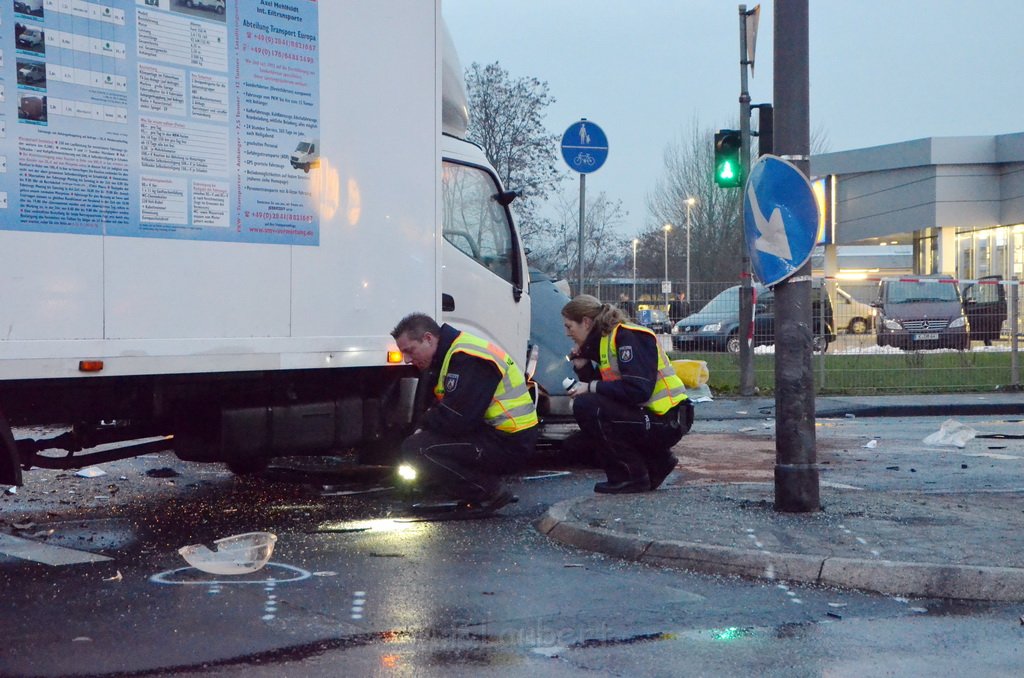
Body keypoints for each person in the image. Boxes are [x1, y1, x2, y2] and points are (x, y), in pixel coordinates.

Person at [391, 313, 538, 513]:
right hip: (499, 434)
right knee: (421, 443)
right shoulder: (452, 354)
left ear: (428, 338)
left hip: (509, 441)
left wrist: (424, 425)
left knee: (417, 449)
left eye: (410, 351)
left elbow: (458, 420)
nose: (407, 360)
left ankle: (487, 491)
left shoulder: (469, 358)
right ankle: (468, 488)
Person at [561, 295, 693, 493]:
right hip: (654, 416)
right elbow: (611, 391)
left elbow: (637, 390)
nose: (567, 333)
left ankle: (631, 476)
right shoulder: (607, 341)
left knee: (586, 407)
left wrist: (590, 386)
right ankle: (657, 461)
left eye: (569, 326)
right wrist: (584, 368)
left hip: (669, 418)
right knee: (575, 442)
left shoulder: (629, 337)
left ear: (586, 322)